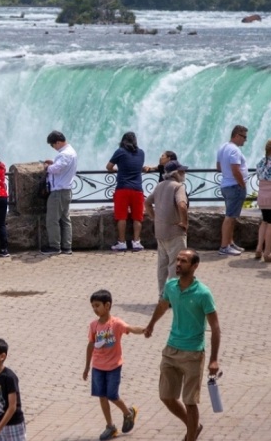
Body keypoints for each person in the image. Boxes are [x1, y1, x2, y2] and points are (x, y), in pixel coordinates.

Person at [145, 249, 221, 441]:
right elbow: (163, 305)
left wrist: (213, 359)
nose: (178, 264)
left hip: (193, 353)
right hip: (171, 349)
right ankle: (193, 426)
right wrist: (151, 325)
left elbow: (215, 327)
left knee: (190, 401)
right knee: (166, 397)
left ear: (194, 266)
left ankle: (190, 436)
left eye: (184, 261)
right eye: (177, 260)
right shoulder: (171, 286)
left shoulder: (203, 293)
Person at [83, 289, 144, 440]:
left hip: (113, 367)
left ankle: (128, 413)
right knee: (102, 396)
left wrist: (145, 329)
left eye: (97, 305)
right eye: (93, 306)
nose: (95, 309)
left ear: (107, 305)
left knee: (112, 395)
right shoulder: (93, 326)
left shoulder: (116, 324)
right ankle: (110, 426)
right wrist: (86, 367)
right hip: (98, 367)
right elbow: (90, 345)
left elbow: (130, 328)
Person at [145, 160, 189, 298]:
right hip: (175, 231)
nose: (184, 174)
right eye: (181, 171)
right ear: (175, 174)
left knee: (162, 265)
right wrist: (185, 222)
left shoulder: (159, 186)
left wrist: (154, 218)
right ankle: (172, 296)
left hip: (160, 231)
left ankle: (162, 295)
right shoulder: (178, 186)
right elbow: (182, 205)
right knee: (176, 265)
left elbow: (147, 202)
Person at [106, 132, 146, 252]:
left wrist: (116, 170)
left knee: (121, 217)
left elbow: (108, 166)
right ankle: (136, 242)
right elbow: (138, 167)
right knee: (137, 218)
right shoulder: (141, 152)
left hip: (123, 188)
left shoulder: (120, 151)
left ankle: (122, 243)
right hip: (137, 189)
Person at [41, 131, 78, 255]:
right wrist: (53, 162)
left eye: (53, 145)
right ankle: (67, 247)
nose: (53, 148)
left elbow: (56, 169)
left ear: (58, 142)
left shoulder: (64, 154)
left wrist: (47, 167)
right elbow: (61, 166)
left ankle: (55, 246)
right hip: (66, 190)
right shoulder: (71, 151)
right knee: (65, 219)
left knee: (52, 219)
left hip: (58, 192)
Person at [216, 125, 248, 256]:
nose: (245, 140)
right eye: (244, 137)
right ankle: (224, 246)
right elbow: (236, 169)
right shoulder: (234, 150)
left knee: (232, 216)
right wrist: (242, 184)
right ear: (236, 135)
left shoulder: (223, 147)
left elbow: (218, 167)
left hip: (226, 185)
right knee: (230, 217)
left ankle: (230, 242)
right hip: (234, 186)